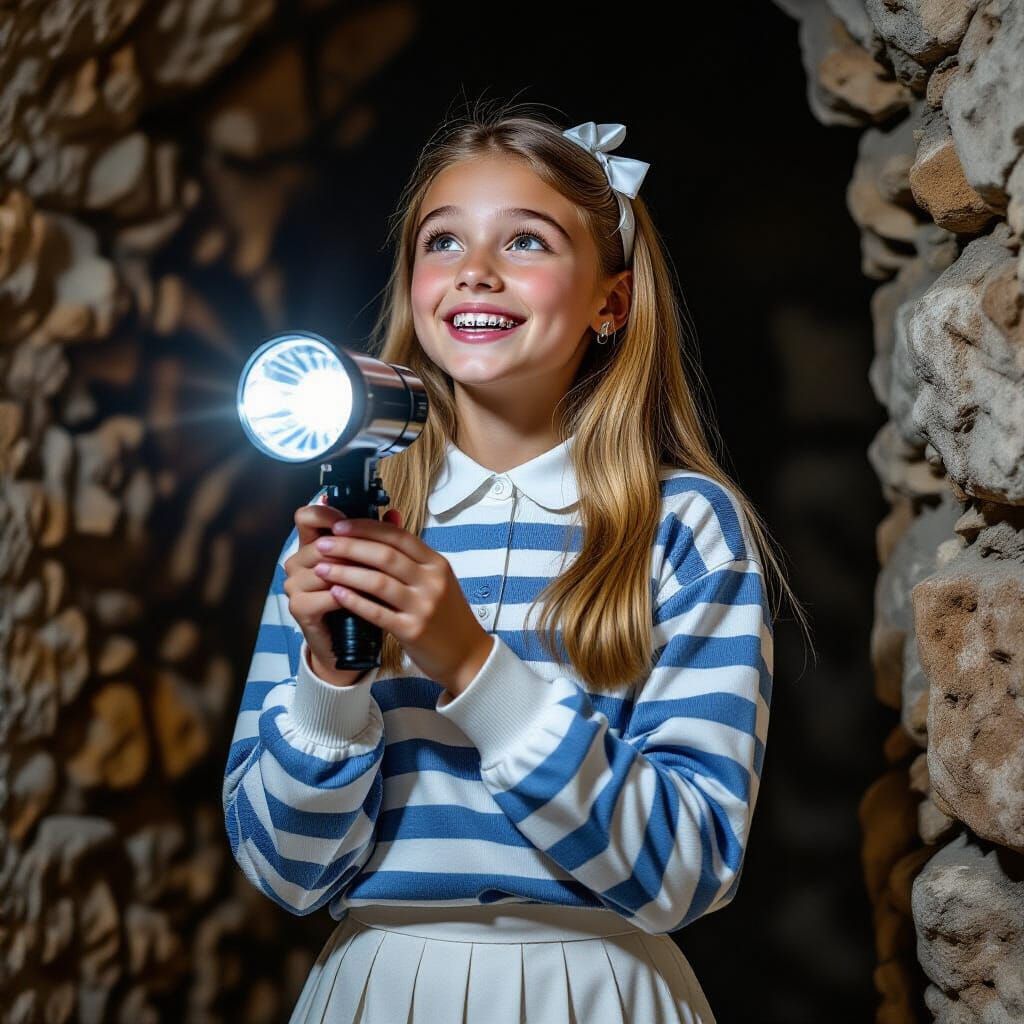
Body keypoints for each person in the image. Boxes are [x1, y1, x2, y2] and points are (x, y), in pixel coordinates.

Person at [223, 100, 809, 1024]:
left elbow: (686, 871)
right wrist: (333, 682)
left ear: (611, 302)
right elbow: (286, 872)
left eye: (527, 242)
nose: (477, 273)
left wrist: (470, 666)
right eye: (442, 242)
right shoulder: (348, 526)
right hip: (380, 992)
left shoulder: (682, 527)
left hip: (596, 991)